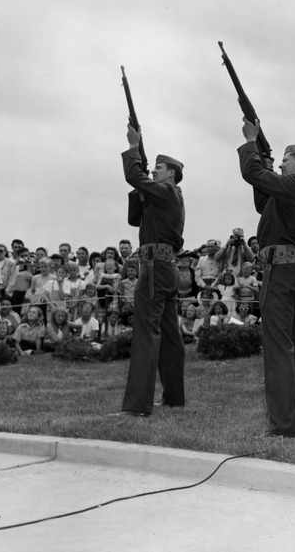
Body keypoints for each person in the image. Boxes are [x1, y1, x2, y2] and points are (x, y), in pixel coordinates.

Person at [238, 117, 295, 438]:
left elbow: (251, 174)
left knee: (277, 346)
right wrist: (266, 162)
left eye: (286, 160)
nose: (283, 164)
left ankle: (284, 424)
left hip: (282, 272)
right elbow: (263, 201)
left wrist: (250, 143)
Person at [115, 124, 186, 417]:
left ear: (170, 173)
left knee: (146, 333)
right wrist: (141, 185)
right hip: (163, 267)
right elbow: (135, 219)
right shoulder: (166, 195)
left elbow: (133, 174)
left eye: (158, 168)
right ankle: (173, 398)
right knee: (169, 334)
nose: (153, 171)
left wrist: (133, 147)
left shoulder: (167, 192)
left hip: (155, 268)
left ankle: (137, 406)